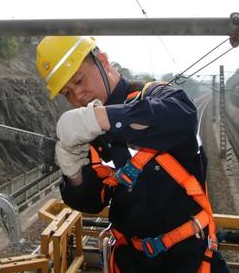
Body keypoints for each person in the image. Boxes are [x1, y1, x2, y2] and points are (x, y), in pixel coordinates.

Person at [36, 36, 228, 273]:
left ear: (103, 61)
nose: (78, 96)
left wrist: (100, 119)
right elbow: (93, 201)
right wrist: (74, 173)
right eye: (67, 93)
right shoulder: (90, 137)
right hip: (130, 261)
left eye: (79, 80)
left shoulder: (153, 95)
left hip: (188, 258)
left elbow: (182, 117)